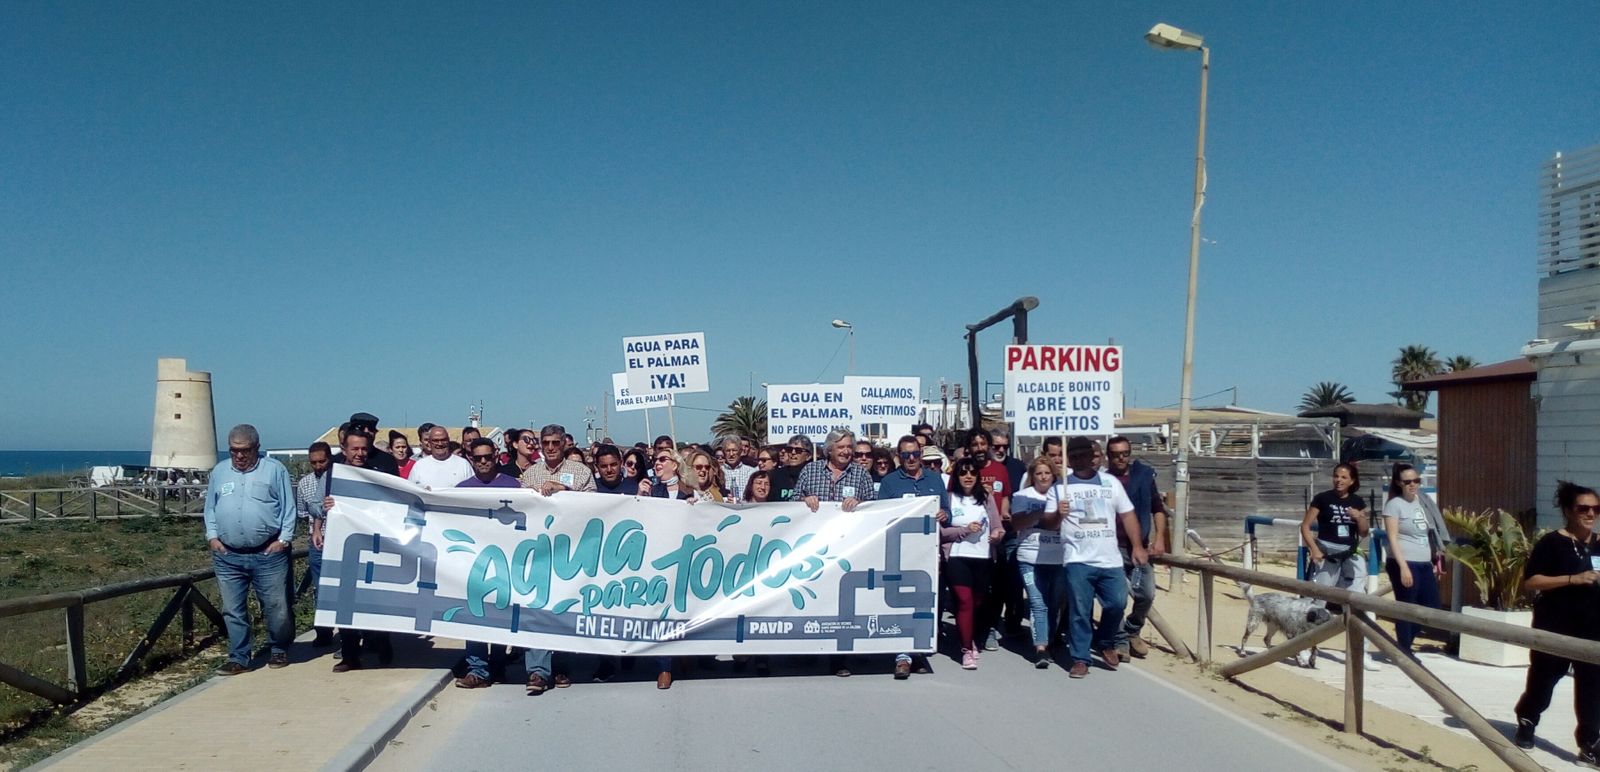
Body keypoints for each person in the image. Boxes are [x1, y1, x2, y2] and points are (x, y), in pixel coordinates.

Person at [1047, 436, 1146, 679]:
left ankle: (1104, 640)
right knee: (1080, 611)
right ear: (1069, 459)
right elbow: (1048, 524)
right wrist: (1059, 515)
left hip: (1109, 559)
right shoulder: (1060, 487)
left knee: (1117, 604)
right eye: (1075, 455)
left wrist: (1137, 546)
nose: (1081, 459)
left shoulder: (1110, 482)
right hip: (1077, 559)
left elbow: (1128, 514)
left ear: (1094, 456)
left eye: (1085, 454)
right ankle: (1081, 658)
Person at [1514, 481, 1600, 758]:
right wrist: (1574, 579)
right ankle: (1527, 720)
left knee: (1592, 687)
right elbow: (1532, 581)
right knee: (1544, 679)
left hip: (1592, 628)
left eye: (1596, 509)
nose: (1590, 514)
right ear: (1568, 510)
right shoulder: (1552, 543)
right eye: (1583, 508)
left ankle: (1589, 743)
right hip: (1556, 624)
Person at [204, 424, 296, 674]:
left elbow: (289, 507)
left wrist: (284, 539)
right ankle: (239, 657)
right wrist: (212, 536)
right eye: (234, 451)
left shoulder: (274, 470)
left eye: (245, 450)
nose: (239, 456)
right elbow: (210, 507)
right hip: (228, 555)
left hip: (268, 553)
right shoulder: (220, 472)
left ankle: (278, 648)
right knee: (233, 609)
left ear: (256, 447)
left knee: (277, 607)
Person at [793, 428, 877, 676]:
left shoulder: (861, 473)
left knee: (842, 604)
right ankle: (808, 651)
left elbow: (874, 507)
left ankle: (840, 658)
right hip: (814, 550)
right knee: (815, 600)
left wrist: (861, 505)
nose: (847, 451)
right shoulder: (810, 470)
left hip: (847, 549)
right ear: (829, 449)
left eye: (850, 447)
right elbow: (793, 502)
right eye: (842, 447)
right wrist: (805, 500)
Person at [877, 434, 950, 678]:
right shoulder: (889, 482)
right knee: (902, 603)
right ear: (899, 457)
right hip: (899, 553)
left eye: (915, 454)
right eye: (905, 454)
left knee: (924, 602)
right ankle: (902, 655)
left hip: (928, 554)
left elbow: (947, 510)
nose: (911, 458)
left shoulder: (935, 479)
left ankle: (919, 650)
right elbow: (881, 516)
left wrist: (943, 514)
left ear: (921, 455)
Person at [453, 439, 521, 688]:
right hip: (474, 565)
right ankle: (477, 670)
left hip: (507, 563)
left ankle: (499, 666)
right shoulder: (460, 489)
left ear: (497, 457)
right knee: (475, 616)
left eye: (487, 457)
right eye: (477, 458)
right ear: (470, 459)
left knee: (501, 616)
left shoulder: (514, 486)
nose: (482, 462)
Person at [1300, 462, 1378, 671]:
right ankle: (1303, 645)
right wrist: (1314, 549)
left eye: (1344, 477)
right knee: (1318, 599)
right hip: (1327, 551)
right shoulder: (1323, 498)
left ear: (1352, 481)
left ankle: (1360, 651)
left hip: (1350, 552)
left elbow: (1363, 532)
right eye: (1336, 476)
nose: (1339, 480)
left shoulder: (1357, 501)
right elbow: (1305, 526)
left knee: (1358, 602)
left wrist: (1360, 517)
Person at [1104, 435, 1168, 661]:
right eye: (1115, 454)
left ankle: (1132, 630)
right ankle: (1119, 640)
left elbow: (1157, 507)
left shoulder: (1143, 476)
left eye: (1125, 453)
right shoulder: (1103, 480)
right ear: (1108, 456)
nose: (1121, 458)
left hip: (1139, 546)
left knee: (1147, 593)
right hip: (1112, 547)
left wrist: (1160, 539)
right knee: (1117, 597)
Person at [1381, 463, 1447, 654]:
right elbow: (1392, 537)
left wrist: (1437, 559)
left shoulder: (1423, 501)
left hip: (1424, 562)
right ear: (1399, 483)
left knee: (1431, 606)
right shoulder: (1394, 504)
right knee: (1406, 606)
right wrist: (1403, 567)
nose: (1413, 485)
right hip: (1404, 561)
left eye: (1416, 480)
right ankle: (1404, 648)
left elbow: (1431, 533)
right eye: (1407, 482)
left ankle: (1406, 640)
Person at [944, 458, 1003, 670]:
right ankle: (966, 649)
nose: (967, 476)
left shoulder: (986, 497)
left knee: (977, 602)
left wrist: (997, 534)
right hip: (958, 557)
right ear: (956, 476)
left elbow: (997, 525)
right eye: (963, 473)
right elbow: (941, 532)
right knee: (964, 601)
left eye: (972, 473)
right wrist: (965, 530)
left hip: (983, 557)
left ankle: (971, 637)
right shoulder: (949, 498)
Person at [1011, 456, 1066, 668]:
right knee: (1037, 602)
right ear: (1032, 476)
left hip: (1058, 558)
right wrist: (1041, 513)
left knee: (1054, 603)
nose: (1043, 477)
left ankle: (1049, 638)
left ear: (1054, 476)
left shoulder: (1063, 496)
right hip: (1030, 556)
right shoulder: (1022, 496)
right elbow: (1016, 523)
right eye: (1039, 473)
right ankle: (1040, 647)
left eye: (1047, 473)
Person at [967, 428, 1018, 650]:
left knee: (995, 587)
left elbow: (1005, 496)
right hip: (971, 537)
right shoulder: (964, 469)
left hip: (996, 538)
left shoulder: (1000, 470)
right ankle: (971, 629)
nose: (979, 449)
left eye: (983, 444)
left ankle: (989, 628)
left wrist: (1003, 516)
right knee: (974, 588)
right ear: (969, 448)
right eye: (975, 445)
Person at [295, 441, 335, 647]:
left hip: (338, 539)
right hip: (317, 541)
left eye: (322, 461)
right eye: (314, 462)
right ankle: (323, 631)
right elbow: (303, 514)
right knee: (319, 588)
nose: (318, 466)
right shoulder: (304, 484)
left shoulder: (338, 478)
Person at [520, 424, 597, 495]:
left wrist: (564, 489)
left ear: (563, 444)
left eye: (555, 443)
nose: (550, 448)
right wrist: (529, 493)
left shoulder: (583, 472)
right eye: (546, 443)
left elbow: (591, 502)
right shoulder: (529, 475)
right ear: (541, 445)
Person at [408, 425, 473, 490]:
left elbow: (472, 491)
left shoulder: (463, 464)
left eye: (443, 440)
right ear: (429, 443)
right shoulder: (419, 466)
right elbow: (411, 492)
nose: (440, 444)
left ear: (448, 441)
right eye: (435, 440)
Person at [767, 435, 812, 502]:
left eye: (798, 450)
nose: (793, 453)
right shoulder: (775, 475)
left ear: (808, 456)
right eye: (789, 450)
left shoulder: (813, 477)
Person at [718, 437, 755, 503]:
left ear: (740, 451)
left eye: (734, 450)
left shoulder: (751, 472)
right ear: (724, 453)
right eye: (728, 451)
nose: (731, 454)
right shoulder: (718, 471)